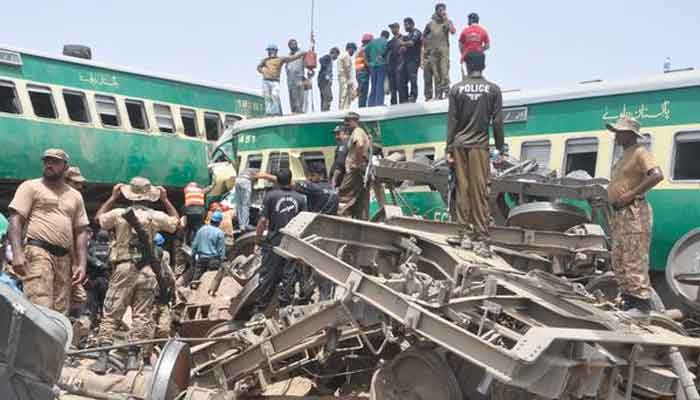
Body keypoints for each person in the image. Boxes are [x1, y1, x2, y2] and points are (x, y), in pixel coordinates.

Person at [90, 177, 179, 374]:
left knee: (112, 312)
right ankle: (132, 357)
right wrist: (165, 200)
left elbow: (99, 219)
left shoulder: (118, 213)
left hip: (124, 268)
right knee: (142, 315)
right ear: (150, 196)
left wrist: (112, 198)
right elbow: (176, 223)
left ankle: (103, 358)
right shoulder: (155, 215)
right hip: (148, 271)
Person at [7, 149, 89, 315]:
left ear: (65, 166)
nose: (49, 165)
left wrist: (81, 264)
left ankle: (52, 342)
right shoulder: (31, 186)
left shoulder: (75, 196)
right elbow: (15, 220)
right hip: (38, 251)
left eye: (55, 162)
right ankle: (33, 341)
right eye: (47, 161)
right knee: (39, 305)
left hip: (64, 257)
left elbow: (80, 231)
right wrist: (17, 253)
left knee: (60, 312)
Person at [446, 51, 503, 252]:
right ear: (483, 66)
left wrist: (448, 148)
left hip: (460, 145)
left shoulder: (456, 90)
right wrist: (500, 147)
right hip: (479, 146)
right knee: (480, 191)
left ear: (467, 67)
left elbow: (452, 120)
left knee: (463, 189)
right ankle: (481, 237)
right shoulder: (493, 90)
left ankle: (464, 234)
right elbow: (497, 121)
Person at [606, 116, 664, 314]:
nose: (615, 136)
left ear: (630, 134)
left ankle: (641, 304)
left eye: (619, 132)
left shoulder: (640, 152)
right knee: (619, 257)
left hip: (634, 212)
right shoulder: (624, 156)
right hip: (620, 214)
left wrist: (632, 193)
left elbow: (657, 175)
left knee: (634, 256)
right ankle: (629, 300)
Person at [253, 169, 307, 315]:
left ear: (277, 180)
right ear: (290, 180)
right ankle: (284, 310)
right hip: (293, 243)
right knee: (289, 276)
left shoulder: (270, 196)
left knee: (268, 275)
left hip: (274, 242)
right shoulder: (301, 198)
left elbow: (263, 221)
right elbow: (304, 223)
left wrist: (257, 241)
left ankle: (260, 309)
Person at [338, 112, 371, 220]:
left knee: (343, 193)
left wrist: (357, 163)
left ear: (355, 121)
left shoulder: (357, 131)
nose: (346, 124)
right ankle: (356, 216)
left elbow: (360, 145)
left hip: (354, 170)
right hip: (356, 169)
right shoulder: (358, 132)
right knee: (357, 197)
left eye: (348, 121)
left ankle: (342, 217)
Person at [257, 44, 305, 116]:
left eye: (272, 50)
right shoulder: (265, 60)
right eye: (269, 51)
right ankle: (269, 112)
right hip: (266, 81)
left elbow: (291, 58)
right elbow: (258, 67)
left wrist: (301, 54)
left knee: (275, 95)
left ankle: (274, 112)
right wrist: (263, 71)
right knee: (267, 97)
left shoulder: (280, 59)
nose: (270, 52)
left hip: (275, 81)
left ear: (276, 51)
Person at [423, 3, 456, 101]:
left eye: (443, 9)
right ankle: (438, 95)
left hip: (444, 52)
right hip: (433, 53)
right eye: (440, 9)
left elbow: (453, 31)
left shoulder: (447, 22)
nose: (442, 11)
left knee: (444, 71)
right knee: (436, 74)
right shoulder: (430, 24)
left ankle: (447, 91)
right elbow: (423, 36)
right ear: (436, 11)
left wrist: (446, 20)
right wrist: (427, 48)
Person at [189, 210, 226, 287]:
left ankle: (192, 291)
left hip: (201, 258)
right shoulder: (220, 233)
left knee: (196, 278)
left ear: (211, 220)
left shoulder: (202, 229)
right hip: (213, 260)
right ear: (219, 222)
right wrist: (222, 260)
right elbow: (221, 250)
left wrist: (192, 255)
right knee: (210, 280)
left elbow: (195, 244)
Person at [86, 229, 110, 328]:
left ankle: (93, 323)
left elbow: (88, 261)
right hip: (106, 279)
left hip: (94, 279)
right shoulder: (110, 249)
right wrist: (105, 266)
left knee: (93, 302)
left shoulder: (92, 249)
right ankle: (105, 325)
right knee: (105, 303)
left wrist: (97, 264)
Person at [153, 232, 175, 339]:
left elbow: (171, 279)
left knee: (162, 328)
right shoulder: (165, 255)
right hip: (155, 299)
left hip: (159, 299)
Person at [399, 18, 423, 103]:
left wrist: (402, 43)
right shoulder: (408, 35)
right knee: (402, 78)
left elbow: (412, 43)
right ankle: (405, 97)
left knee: (413, 78)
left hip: (414, 59)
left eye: (406, 24)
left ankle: (413, 96)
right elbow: (405, 46)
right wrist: (403, 47)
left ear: (412, 24)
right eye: (404, 25)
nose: (405, 27)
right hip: (406, 59)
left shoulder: (416, 32)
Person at [365, 31, 390, 107]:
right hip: (382, 64)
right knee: (380, 84)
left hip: (372, 66)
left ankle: (371, 103)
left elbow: (365, 52)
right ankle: (379, 103)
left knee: (373, 85)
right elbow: (388, 54)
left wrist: (369, 63)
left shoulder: (372, 42)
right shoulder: (386, 42)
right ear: (387, 36)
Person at [286, 39, 309, 114]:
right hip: (290, 80)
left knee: (300, 97)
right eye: (291, 44)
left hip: (299, 78)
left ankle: (300, 111)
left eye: (294, 44)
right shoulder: (288, 56)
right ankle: (294, 112)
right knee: (292, 97)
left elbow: (307, 64)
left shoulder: (302, 53)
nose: (293, 45)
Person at [386, 23, 403, 105]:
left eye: (394, 28)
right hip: (391, 66)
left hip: (400, 65)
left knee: (400, 85)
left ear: (398, 28)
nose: (392, 30)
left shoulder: (403, 38)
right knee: (393, 87)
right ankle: (393, 103)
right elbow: (385, 53)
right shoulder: (390, 42)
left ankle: (402, 102)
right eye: (391, 28)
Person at [318, 47, 340, 111]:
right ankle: (325, 110)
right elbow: (321, 60)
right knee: (328, 96)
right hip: (324, 81)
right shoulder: (328, 57)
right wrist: (326, 75)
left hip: (323, 81)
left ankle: (323, 110)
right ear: (334, 53)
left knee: (324, 97)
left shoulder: (329, 60)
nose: (336, 57)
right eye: (336, 55)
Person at [338, 42, 358, 110]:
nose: (353, 52)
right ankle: (342, 109)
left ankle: (344, 109)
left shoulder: (345, 56)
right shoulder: (345, 55)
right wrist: (349, 79)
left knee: (347, 96)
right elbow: (346, 68)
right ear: (350, 49)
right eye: (353, 50)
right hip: (345, 77)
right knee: (344, 94)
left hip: (344, 77)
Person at [355, 34, 373, 108]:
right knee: (363, 91)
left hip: (359, 72)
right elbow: (365, 59)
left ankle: (361, 106)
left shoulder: (360, 49)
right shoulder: (365, 48)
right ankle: (362, 107)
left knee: (361, 90)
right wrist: (370, 68)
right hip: (363, 71)